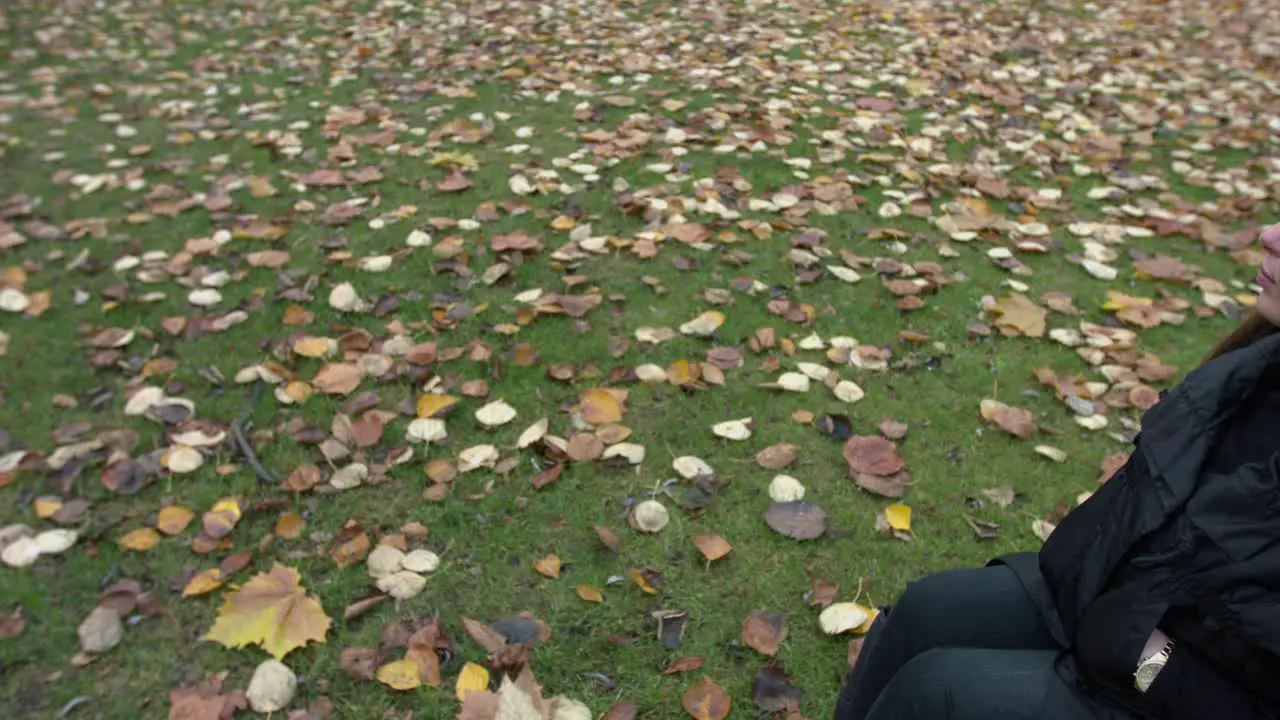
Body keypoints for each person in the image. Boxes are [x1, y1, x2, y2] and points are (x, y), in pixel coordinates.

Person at [833, 223, 1280, 720]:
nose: (1269, 235)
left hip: (1164, 684)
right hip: (1099, 597)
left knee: (938, 692)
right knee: (925, 610)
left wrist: (1145, 658)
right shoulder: (1258, 366)